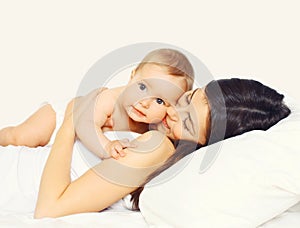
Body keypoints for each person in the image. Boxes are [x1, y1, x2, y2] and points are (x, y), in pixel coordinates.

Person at [0, 78, 290, 218]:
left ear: (203, 146)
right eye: (187, 98)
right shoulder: (155, 130)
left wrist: (69, 122)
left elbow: (49, 210)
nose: (173, 111)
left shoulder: (157, 148)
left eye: (187, 123)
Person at [0, 48, 194, 159]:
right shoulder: (110, 98)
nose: (144, 103)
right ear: (132, 76)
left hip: (67, 150)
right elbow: (85, 124)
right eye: (142, 87)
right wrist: (107, 148)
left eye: (159, 100)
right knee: (20, 137)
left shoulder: (156, 127)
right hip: (58, 121)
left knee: (33, 159)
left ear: (172, 107)